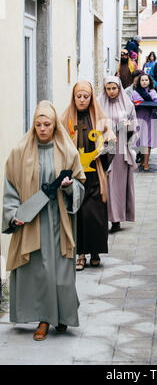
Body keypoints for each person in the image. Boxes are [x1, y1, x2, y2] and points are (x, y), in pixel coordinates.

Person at [2, 100, 86, 341]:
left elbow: (80, 183)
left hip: (59, 220)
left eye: (47, 124)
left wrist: (70, 188)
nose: (42, 128)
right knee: (39, 271)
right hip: (32, 222)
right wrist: (12, 213)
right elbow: (10, 186)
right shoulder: (20, 152)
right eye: (38, 124)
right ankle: (45, 318)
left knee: (60, 272)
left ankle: (61, 315)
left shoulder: (68, 151)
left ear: (55, 125)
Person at [61, 81, 116, 271]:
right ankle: (80, 255)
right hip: (76, 175)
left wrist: (105, 150)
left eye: (86, 97)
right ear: (73, 98)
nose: (82, 100)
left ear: (91, 98)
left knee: (95, 215)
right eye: (79, 96)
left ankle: (95, 252)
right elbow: (59, 144)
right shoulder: (66, 118)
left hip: (95, 174)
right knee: (79, 215)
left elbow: (112, 142)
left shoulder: (99, 118)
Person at [98, 77, 138, 233]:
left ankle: (117, 219)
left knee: (118, 186)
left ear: (119, 88)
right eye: (108, 89)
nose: (111, 92)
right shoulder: (99, 104)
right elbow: (95, 124)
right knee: (105, 184)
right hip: (104, 147)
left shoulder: (127, 104)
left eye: (114, 88)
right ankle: (104, 216)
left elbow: (135, 125)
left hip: (121, 149)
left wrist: (129, 127)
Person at [131, 73, 157, 171]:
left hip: (150, 118)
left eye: (146, 80)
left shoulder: (153, 92)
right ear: (139, 82)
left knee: (148, 140)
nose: (144, 82)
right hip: (139, 118)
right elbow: (130, 106)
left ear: (149, 81)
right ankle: (142, 160)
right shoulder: (135, 93)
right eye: (142, 80)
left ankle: (146, 162)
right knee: (140, 140)